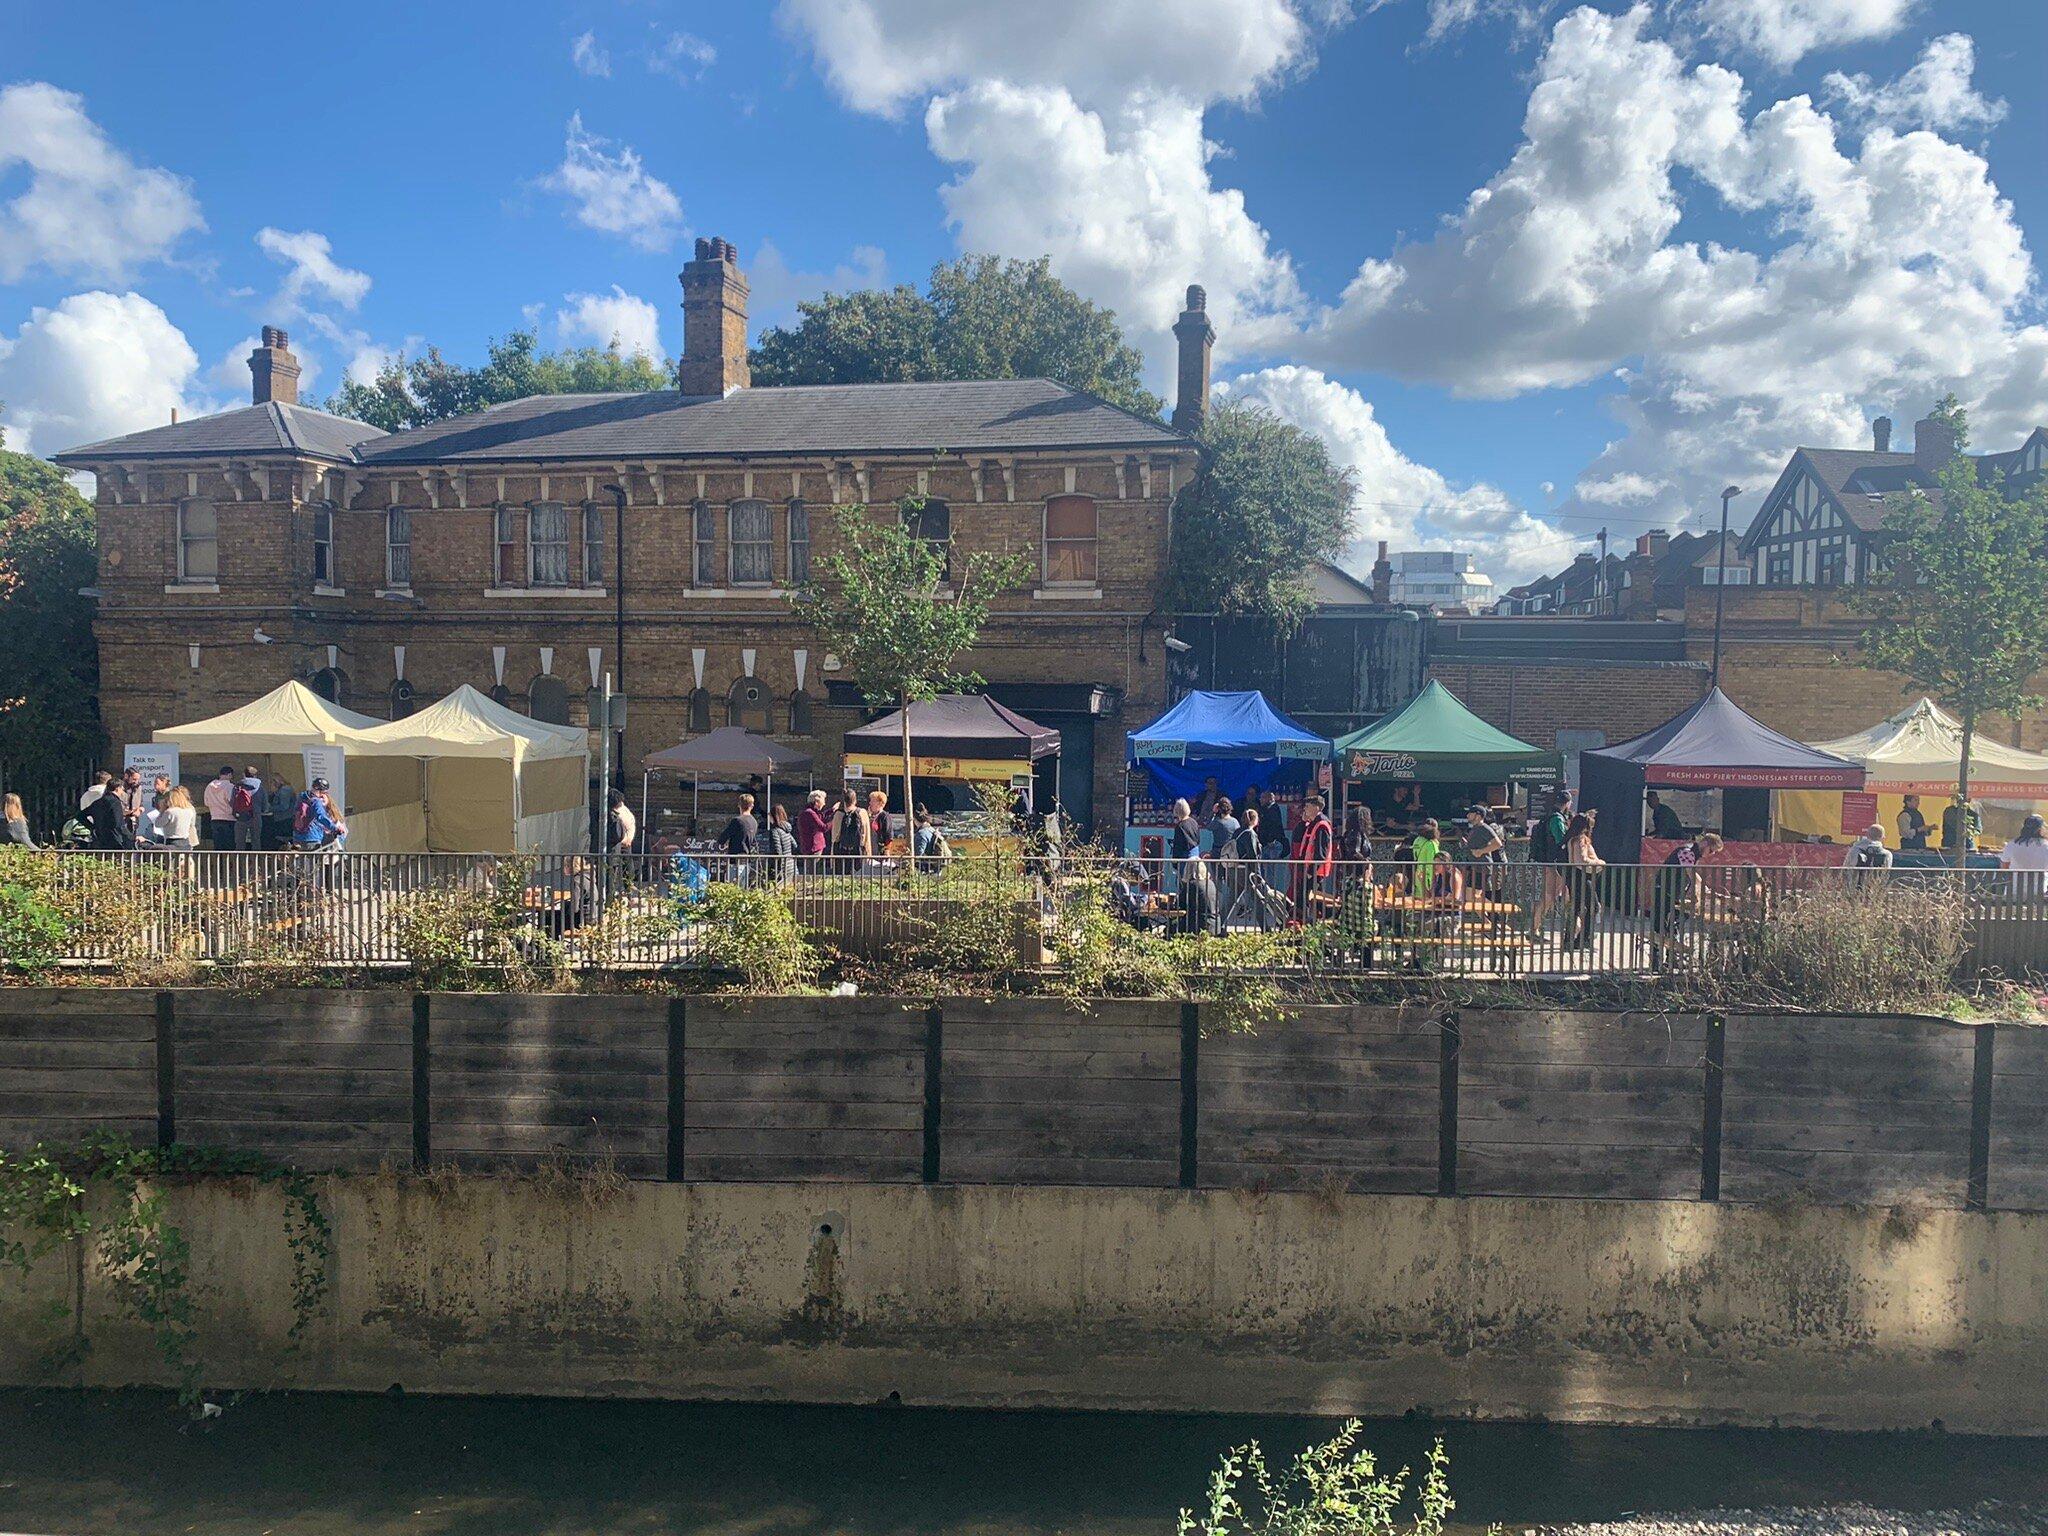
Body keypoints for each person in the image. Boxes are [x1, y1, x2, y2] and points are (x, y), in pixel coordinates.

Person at [1653, 829, 1724, 948]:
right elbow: (1690, 872)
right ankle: (1657, 960)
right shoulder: (1687, 851)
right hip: (1665, 891)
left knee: (1673, 925)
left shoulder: (1693, 854)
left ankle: (1670, 958)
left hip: (1674, 892)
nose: (1711, 854)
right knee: (1661, 927)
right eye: (1711, 851)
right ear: (1705, 843)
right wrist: (1703, 890)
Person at [1289, 793, 1335, 919]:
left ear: (1317, 808)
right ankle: (1330, 914)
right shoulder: (1313, 823)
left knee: (1305, 897)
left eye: (1308, 806)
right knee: (1313, 897)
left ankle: (1305, 922)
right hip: (1310, 867)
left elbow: (1321, 851)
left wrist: (1311, 871)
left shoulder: (1322, 824)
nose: (1305, 809)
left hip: (1314, 869)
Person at [1563, 812, 1605, 950]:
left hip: (1573, 875)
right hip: (1581, 875)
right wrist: (1599, 862)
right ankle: (1583, 938)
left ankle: (1569, 939)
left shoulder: (1571, 839)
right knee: (1594, 906)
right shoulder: (1581, 839)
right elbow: (1581, 860)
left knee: (1576, 907)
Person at [291, 778, 346, 850]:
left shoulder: (301, 797)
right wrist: (335, 828)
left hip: (297, 837)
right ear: (322, 791)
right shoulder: (315, 801)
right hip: (312, 838)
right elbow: (321, 817)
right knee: (315, 860)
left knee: (301, 860)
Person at [1175, 853, 1221, 936]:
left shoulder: (1192, 884)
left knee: (1170, 929)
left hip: (1199, 925)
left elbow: (1180, 903)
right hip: (1215, 925)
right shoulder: (1211, 883)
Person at [84, 781, 135, 849]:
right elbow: (118, 824)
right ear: (117, 788)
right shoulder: (115, 802)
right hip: (114, 840)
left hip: (99, 839)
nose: (122, 792)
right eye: (122, 789)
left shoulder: (98, 802)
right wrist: (132, 837)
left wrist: (92, 827)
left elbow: (80, 815)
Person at [1999, 814, 2048, 878]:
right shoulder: (2046, 846)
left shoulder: (2012, 845)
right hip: (2040, 887)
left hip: (2015, 886)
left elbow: (2004, 867)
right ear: (2040, 829)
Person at [203, 765, 238, 851]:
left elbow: (206, 803)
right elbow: (232, 802)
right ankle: (229, 864)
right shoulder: (230, 786)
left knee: (218, 845)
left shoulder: (209, 786)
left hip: (215, 818)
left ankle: (218, 864)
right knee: (229, 845)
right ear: (230, 775)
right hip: (229, 819)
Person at [156, 785, 200, 851]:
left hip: (172, 840)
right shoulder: (189, 811)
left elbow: (158, 824)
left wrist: (162, 811)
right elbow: (192, 824)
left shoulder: (170, 812)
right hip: (186, 841)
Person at [765, 803, 800, 884]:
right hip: (792, 866)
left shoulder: (775, 831)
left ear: (773, 816)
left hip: (782, 868)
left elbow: (777, 852)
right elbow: (795, 846)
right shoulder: (787, 830)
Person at [719, 793, 760, 862]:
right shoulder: (754, 821)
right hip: (748, 858)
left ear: (739, 805)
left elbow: (723, 837)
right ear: (751, 806)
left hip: (736, 859)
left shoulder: (737, 821)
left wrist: (723, 842)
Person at [1409, 818, 1444, 898]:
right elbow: (1433, 862)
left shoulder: (1417, 840)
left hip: (1418, 873)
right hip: (1427, 877)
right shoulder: (1431, 844)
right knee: (1428, 903)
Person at [232, 766, 265, 851]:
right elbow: (264, 804)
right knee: (256, 841)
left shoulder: (238, 786)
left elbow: (232, 801)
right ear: (256, 775)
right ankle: (256, 863)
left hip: (241, 816)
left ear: (244, 775)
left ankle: (240, 863)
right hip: (256, 816)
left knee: (239, 842)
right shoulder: (260, 787)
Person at [830, 794, 871, 861]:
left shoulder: (838, 814)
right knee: (858, 871)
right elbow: (866, 836)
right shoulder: (862, 813)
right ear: (855, 801)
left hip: (842, 852)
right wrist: (868, 855)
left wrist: (832, 857)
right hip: (858, 852)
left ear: (844, 801)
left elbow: (835, 837)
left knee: (842, 871)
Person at [797, 790, 831, 871]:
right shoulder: (810, 813)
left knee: (814, 870)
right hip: (813, 848)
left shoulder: (810, 811)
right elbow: (823, 827)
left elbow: (821, 816)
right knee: (813, 872)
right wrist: (835, 821)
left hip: (813, 847)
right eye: (823, 801)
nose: (824, 804)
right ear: (816, 802)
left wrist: (832, 810)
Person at [607, 789, 637, 857]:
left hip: (619, 842)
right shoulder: (625, 811)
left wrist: (626, 839)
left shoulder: (618, 812)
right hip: (624, 841)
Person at [867, 790, 895, 854]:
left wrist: (886, 850)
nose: (870, 803)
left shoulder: (885, 817)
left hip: (879, 852)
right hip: (867, 851)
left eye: (872, 801)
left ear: (880, 803)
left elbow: (889, 836)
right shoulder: (866, 815)